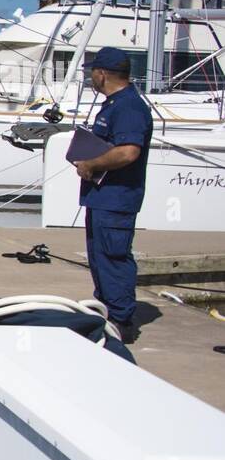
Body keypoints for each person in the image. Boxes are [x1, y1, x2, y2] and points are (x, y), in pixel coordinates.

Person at [73, 46, 153, 344]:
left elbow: (129, 151)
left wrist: (92, 163)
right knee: (99, 256)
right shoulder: (113, 104)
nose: (91, 76)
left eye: (92, 71)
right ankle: (106, 312)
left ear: (102, 73)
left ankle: (121, 320)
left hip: (117, 198)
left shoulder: (129, 107)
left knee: (113, 257)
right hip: (101, 196)